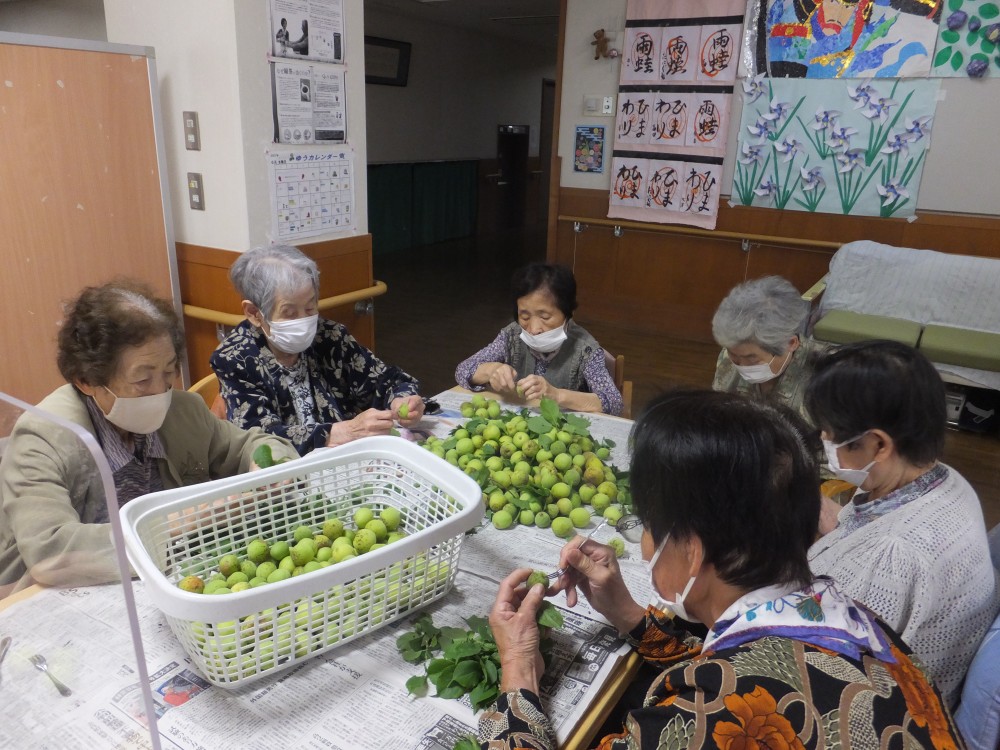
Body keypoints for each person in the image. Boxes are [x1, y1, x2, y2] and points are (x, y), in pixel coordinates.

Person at [480, 391, 964, 749]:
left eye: (650, 525)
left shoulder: (711, 722)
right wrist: (629, 614)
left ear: (691, 551)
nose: (645, 545)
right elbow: (746, 665)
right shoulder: (853, 620)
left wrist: (519, 669)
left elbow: (732, 691)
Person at [0, 280, 298, 593]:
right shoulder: (44, 438)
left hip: (165, 583)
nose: (161, 391)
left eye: (169, 371)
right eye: (142, 379)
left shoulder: (184, 411)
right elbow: (51, 553)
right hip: (56, 595)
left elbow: (252, 445)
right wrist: (209, 511)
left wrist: (272, 468)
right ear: (87, 380)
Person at [805, 340, 1000, 708]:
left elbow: (823, 674)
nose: (823, 440)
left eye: (830, 434)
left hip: (885, 710)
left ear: (878, 444)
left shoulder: (891, 555)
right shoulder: (948, 481)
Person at [211, 244, 424, 456]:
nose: (304, 321)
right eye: (289, 313)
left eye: (310, 308)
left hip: (344, 463)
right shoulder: (234, 359)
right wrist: (341, 431)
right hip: (285, 478)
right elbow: (260, 439)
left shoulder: (329, 337)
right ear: (254, 313)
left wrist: (402, 398)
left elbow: (385, 380)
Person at [455, 263, 623, 415]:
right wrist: (491, 370)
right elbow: (463, 370)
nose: (534, 329)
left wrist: (556, 395)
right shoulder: (511, 336)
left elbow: (614, 402)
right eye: (525, 317)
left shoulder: (585, 350)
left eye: (545, 317)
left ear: (568, 313)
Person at [711, 275, 822, 419]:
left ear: (790, 344)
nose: (741, 366)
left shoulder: (823, 377)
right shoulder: (729, 357)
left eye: (751, 358)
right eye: (734, 355)